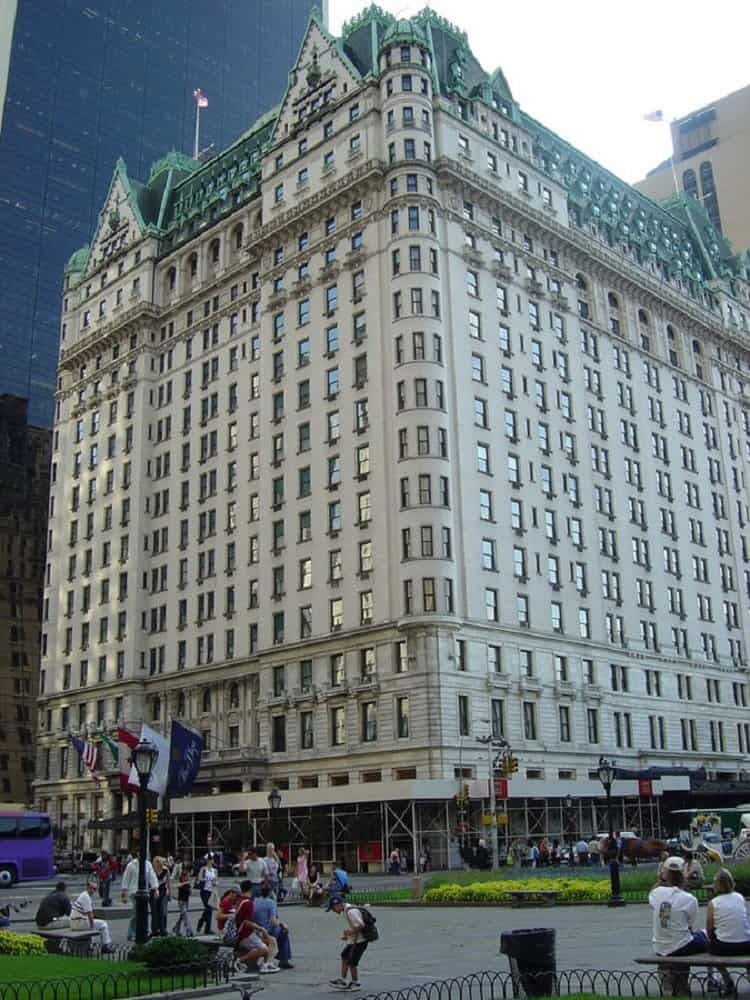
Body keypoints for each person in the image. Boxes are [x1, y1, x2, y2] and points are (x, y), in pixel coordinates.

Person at [649, 856, 708, 957]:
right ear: (684, 874)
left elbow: (653, 897)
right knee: (707, 934)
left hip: (659, 947)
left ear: (665, 875)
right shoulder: (689, 899)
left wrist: (660, 879)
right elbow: (690, 924)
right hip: (680, 946)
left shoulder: (656, 893)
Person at [328, 894, 370, 991]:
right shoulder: (346, 910)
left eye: (333, 909)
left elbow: (361, 925)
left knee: (352, 962)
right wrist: (348, 934)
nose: (334, 911)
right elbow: (355, 925)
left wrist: (350, 932)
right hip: (354, 940)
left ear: (337, 905)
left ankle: (356, 983)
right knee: (344, 955)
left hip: (360, 941)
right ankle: (343, 980)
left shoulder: (350, 911)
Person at [235, 880, 278, 974]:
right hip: (245, 934)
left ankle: (266, 965)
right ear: (251, 889)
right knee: (264, 949)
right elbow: (247, 921)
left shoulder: (240, 900)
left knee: (272, 940)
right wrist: (260, 929)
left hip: (246, 933)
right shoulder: (249, 903)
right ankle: (239, 960)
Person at [253, 883, 294, 969]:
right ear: (270, 892)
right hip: (266, 930)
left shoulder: (255, 901)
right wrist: (282, 924)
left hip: (256, 929)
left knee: (280, 931)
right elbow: (273, 922)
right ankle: (284, 959)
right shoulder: (271, 903)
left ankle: (282, 957)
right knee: (284, 932)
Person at [71, 878, 115, 952]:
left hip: (76, 922)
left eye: (94, 889)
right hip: (79, 923)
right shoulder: (86, 897)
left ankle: (90, 945)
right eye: (91, 888)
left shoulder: (83, 895)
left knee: (94, 924)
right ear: (87, 888)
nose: (93, 891)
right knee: (103, 924)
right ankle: (105, 946)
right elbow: (90, 914)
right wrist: (92, 927)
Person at [121, 854, 158, 941]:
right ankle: (132, 933)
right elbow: (126, 878)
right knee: (137, 913)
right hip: (134, 892)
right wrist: (124, 892)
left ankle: (143, 931)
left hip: (145, 891)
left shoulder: (148, 864)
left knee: (144, 912)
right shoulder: (131, 865)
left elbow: (152, 876)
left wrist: (155, 888)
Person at [196, 854, 219, 934]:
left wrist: (215, 882)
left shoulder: (215, 870)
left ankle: (203, 923)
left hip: (211, 891)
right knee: (209, 908)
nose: (212, 861)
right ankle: (206, 928)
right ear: (208, 860)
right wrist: (207, 880)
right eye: (211, 859)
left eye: (212, 859)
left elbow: (216, 880)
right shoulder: (203, 869)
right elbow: (199, 879)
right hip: (204, 891)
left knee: (209, 910)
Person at [151, 856, 171, 937]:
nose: (158, 863)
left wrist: (169, 892)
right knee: (154, 911)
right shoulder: (152, 870)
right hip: (153, 891)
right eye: (157, 862)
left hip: (163, 891)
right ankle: (154, 930)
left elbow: (168, 882)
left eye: (160, 862)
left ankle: (163, 929)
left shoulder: (165, 870)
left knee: (162, 911)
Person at [173, 866, 193, 937]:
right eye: (187, 876)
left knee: (182, 916)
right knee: (185, 917)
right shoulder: (181, 883)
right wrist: (185, 883)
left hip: (186, 901)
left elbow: (190, 893)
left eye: (188, 876)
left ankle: (176, 928)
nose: (188, 878)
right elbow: (176, 885)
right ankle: (189, 931)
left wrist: (190, 887)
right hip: (181, 902)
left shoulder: (188, 884)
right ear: (183, 877)